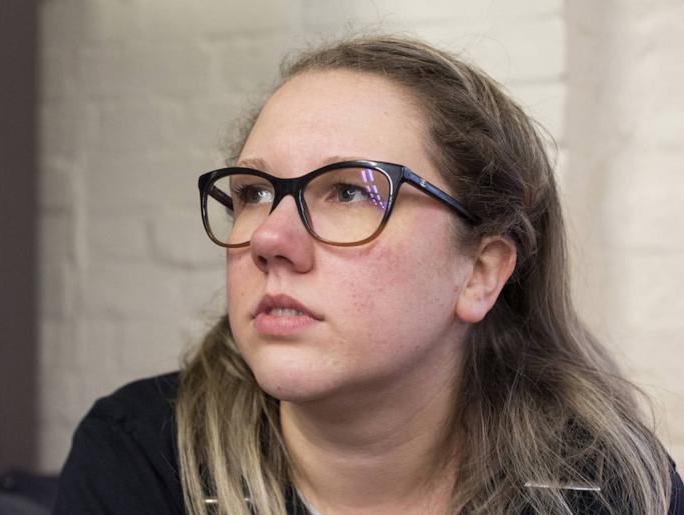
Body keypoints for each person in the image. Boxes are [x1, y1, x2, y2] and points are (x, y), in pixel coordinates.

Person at [54, 35, 683, 515]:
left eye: (349, 192)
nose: (269, 238)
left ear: (481, 273)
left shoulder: (604, 489)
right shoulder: (144, 460)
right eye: (252, 191)